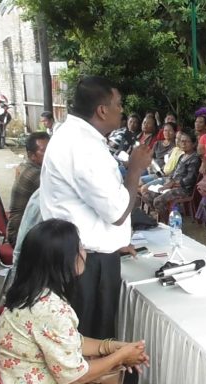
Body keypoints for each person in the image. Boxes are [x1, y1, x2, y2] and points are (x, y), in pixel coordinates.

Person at [39, 76, 152, 339]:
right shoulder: (84, 146)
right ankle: (95, 380)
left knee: (86, 332)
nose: (122, 111)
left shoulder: (71, 134)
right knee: (92, 335)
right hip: (85, 262)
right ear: (102, 110)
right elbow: (116, 212)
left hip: (77, 249)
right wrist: (135, 171)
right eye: (118, 104)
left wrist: (116, 241)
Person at [0, 219, 150, 384]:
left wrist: (111, 347)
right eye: (81, 247)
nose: (85, 253)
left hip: (22, 378)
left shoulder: (30, 292)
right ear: (67, 260)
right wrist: (121, 355)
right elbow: (75, 377)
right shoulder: (50, 309)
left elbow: (70, 340)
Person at [142, 131, 201, 220]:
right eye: (182, 141)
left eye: (186, 141)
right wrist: (169, 182)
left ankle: (166, 222)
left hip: (184, 189)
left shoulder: (194, 159)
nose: (183, 143)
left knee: (158, 201)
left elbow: (189, 179)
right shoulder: (182, 156)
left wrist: (172, 184)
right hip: (172, 185)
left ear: (193, 144)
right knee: (147, 195)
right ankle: (161, 216)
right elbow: (175, 172)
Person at [7, 132, 50, 246]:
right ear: (32, 155)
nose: (50, 153)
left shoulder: (26, 166)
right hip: (20, 237)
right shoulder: (35, 175)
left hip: (24, 229)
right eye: (44, 150)